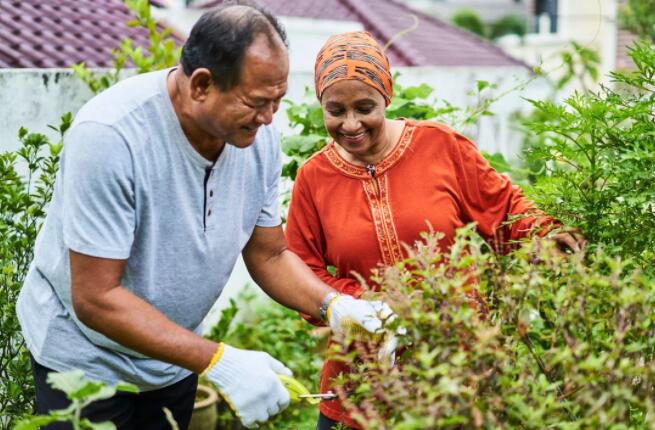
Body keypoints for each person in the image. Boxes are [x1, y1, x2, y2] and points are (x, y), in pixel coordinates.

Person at [16, 7, 393, 430]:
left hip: (173, 357)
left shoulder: (256, 136)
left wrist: (334, 305)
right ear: (201, 85)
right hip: (87, 364)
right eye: (257, 102)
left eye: (278, 100)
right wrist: (218, 360)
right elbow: (96, 298)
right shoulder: (111, 137)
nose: (270, 118)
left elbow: (269, 254)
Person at [284, 31, 586, 430]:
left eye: (364, 107)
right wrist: (362, 307)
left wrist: (545, 232)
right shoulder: (314, 178)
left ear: (386, 97)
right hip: (363, 384)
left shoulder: (438, 146)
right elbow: (298, 273)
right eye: (335, 110)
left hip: (458, 372)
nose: (350, 123)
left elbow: (504, 208)